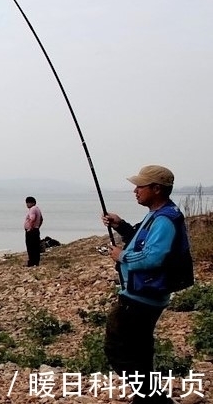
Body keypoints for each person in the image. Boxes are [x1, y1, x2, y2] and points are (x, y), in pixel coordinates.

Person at [101, 165, 192, 404]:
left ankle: (154, 399)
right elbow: (141, 242)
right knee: (139, 351)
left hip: (142, 298)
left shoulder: (164, 219)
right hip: (144, 294)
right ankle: (147, 398)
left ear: (157, 189)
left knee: (118, 348)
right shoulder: (158, 214)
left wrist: (121, 256)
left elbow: (153, 257)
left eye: (140, 186)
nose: (135, 190)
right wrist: (120, 225)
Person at [24, 196, 44, 267]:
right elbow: (41, 219)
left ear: (30, 203)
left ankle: (31, 262)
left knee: (30, 246)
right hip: (36, 230)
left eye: (27, 203)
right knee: (36, 246)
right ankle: (36, 262)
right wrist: (38, 227)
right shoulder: (37, 209)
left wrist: (30, 228)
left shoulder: (32, 209)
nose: (26, 205)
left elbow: (32, 219)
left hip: (31, 231)